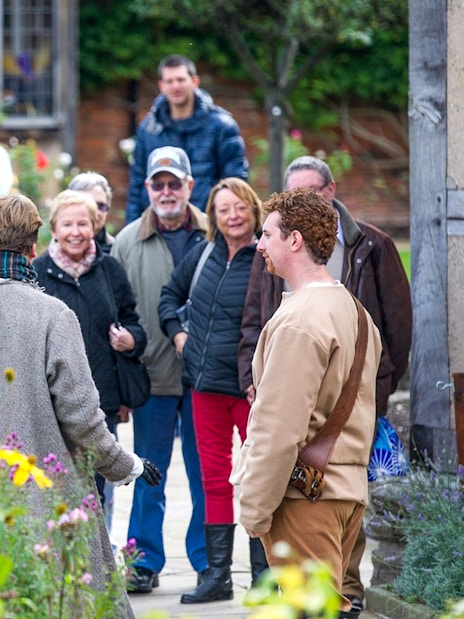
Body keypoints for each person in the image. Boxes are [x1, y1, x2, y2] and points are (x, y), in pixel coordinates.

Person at [237, 155, 413, 614]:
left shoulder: (299, 320)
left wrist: (254, 507)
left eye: (268, 235)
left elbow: (280, 428)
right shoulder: (354, 311)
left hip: (305, 499)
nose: (259, 245)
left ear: (293, 241)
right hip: (345, 490)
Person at [0, 193, 161, 619]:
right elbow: (84, 421)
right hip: (42, 505)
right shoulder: (53, 315)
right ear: (34, 246)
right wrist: (128, 466)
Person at [158, 177, 266, 603]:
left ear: (254, 211)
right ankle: (218, 576)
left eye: (240, 207)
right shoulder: (201, 254)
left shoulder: (266, 258)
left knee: (258, 482)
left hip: (250, 390)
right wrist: (178, 335)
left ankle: (263, 579)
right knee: (214, 482)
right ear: (213, 216)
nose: (233, 216)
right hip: (203, 388)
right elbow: (169, 296)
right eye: (224, 209)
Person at [111, 145, 208, 594]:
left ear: (190, 186)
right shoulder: (128, 240)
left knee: (204, 472)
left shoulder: (215, 232)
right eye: (158, 183)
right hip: (152, 379)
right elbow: (117, 313)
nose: (167, 191)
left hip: (208, 379)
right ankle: (143, 560)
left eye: (175, 183)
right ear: (147, 187)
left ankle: (211, 560)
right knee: (148, 473)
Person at [33, 189, 147, 512]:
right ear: (53, 229)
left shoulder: (110, 270)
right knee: (55, 488)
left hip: (101, 402)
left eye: (83, 224)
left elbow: (134, 323)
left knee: (96, 492)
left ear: (95, 226)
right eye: (67, 224)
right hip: (51, 402)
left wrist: (130, 340)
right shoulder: (39, 273)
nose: (75, 232)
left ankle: (97, 557)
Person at [125, 54, 248, 223]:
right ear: (161, 86)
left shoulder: (221, 126)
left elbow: (236, 183)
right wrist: (131, 232)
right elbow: (137, 184)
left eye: (181, 79)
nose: (175, 86)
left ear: (195, 81)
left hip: (209, 226)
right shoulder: (149, 130)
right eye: (169, 81)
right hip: (160, 226)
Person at [68, 171, 115, 254]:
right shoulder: (52, 256)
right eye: (88, 205)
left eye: (100, 206)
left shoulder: (117, 252)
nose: (95, 212)